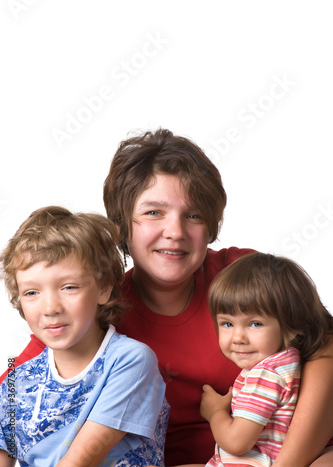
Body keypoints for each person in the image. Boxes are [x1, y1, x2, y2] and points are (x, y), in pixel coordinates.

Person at [1, 129, 333, 466]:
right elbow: (10, 396)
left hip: (296, 452)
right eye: (153, 213)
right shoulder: (93, 304)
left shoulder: (243, 277)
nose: (174, 232)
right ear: (122, 225)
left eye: (193, 215)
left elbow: (326, 350)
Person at [0, 206, 169, 467]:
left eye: (69, 287)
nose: (50, 308)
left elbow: (81, 461)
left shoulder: (130, 360)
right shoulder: (16, 380)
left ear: (103, 288)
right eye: (32, 293)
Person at [200, 252, 333, 467]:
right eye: (227, 324)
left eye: (255, 324)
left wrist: (215, 412)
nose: (238, 338)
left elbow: (237, 442)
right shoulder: (286, 362)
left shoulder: (267, 374)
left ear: (291, 327)